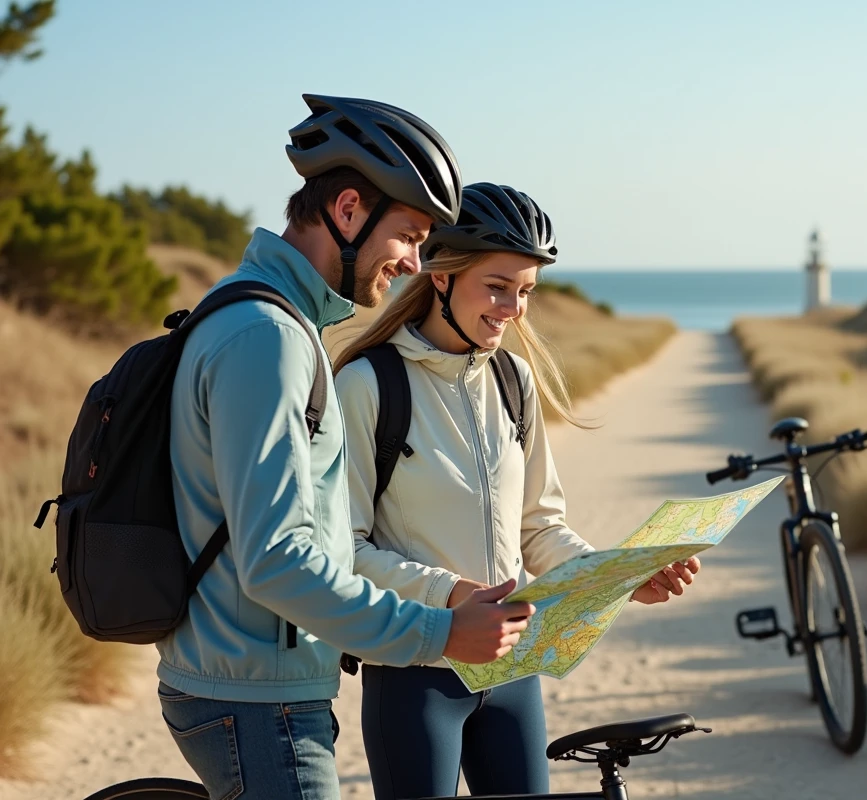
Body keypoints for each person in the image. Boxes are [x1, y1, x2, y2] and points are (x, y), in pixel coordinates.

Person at [157, 95, 534, 800]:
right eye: (412, 236)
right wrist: (439, 634)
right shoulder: (265, 339)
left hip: (264, 684)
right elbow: (275, 562)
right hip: (253, 696)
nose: (417, 263)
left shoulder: (276, 321)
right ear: (350, 210)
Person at [332, 182, 702, 799]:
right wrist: (452, 595)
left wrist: (619, 576)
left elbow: (540, 528)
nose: (513, 308)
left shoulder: (512, 379)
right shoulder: (370, 385)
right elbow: (344, 549)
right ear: (442, 277)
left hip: (513, 670)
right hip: (415, 672)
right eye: (498, 286)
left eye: (525, 291)